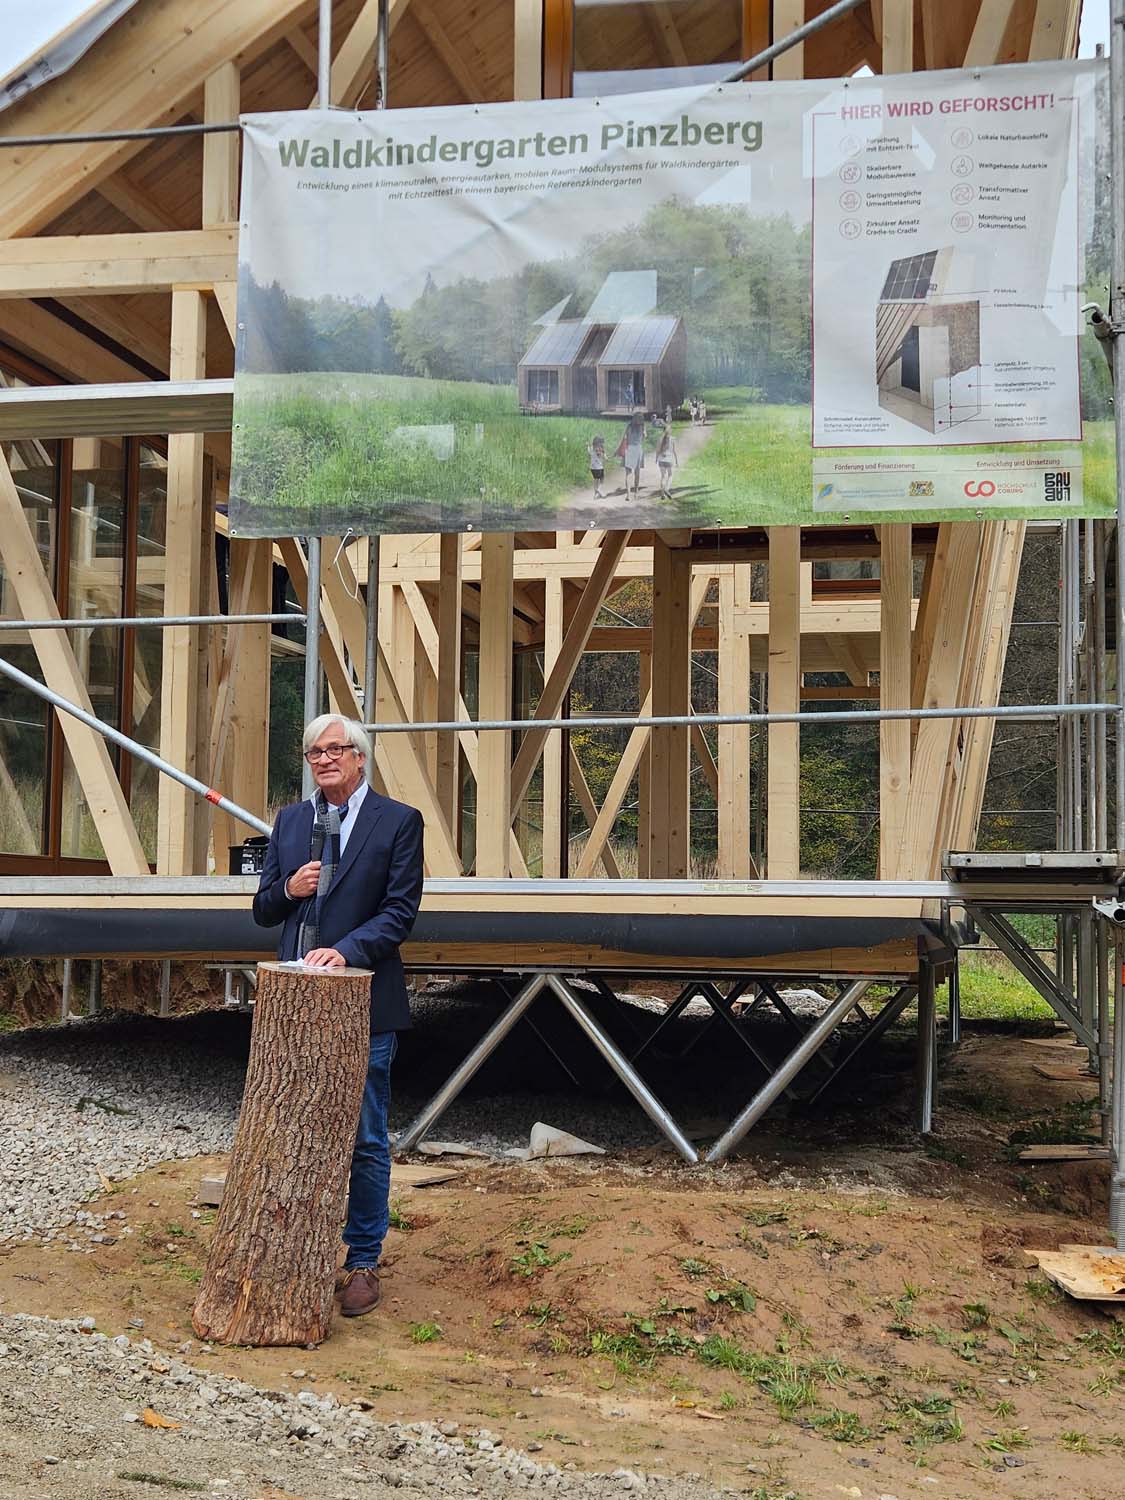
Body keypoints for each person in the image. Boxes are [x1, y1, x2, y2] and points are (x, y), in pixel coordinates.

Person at [252, 714, 424, 1319]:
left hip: (365, 1004)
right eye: (313, 752)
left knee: (366, 1137)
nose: (323, 760)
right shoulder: (292, 820)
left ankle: (362, 1261)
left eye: (334, 750)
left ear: (359, 758)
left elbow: (400, 913)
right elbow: (262, 909)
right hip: (295, 1006)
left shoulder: (398, 822)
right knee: (288, 1131)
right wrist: (289, 889)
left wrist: (345, 951)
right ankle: (293, 1249)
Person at [618, 412, 646, 499]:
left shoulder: (629, 426)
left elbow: (624, 438)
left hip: (629, 449)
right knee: (637, 473)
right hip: (638, 449)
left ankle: (628, 494)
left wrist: (618, 449)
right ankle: (636, 492)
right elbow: (645, 436)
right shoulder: (642, 426)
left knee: (628, 474)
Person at [655, 426, 677, 498]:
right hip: (669, 459)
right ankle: (667, 489)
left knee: (663, 476)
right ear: (670, 431)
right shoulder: (672, 439)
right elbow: (674, 451)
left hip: (661, 459)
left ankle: (662, 494)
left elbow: (657, 450)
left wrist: (656, 459)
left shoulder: (659, 439)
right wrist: (676, 461)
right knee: (670, 475)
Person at [588, 434, 606, 499]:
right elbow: (602, 456)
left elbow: (589, 455)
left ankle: (595, 495)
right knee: (602, 479)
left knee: (595, 480)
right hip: (599, 468)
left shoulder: (590, 448)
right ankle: (599, 489)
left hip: (592, 468)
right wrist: (605, 457)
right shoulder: (600, 448)